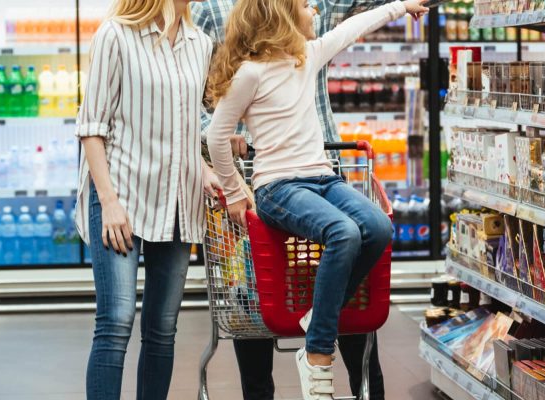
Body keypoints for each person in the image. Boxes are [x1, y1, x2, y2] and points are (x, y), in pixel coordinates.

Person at [204, 1, 427, 399]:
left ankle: (318, 316)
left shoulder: (309, 56)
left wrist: (400, 6)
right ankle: (317, 352)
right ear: (283, 16)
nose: (316, 12)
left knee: (378, 226)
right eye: (306, 6)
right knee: (343, 232)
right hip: (278, 187)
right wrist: (237, 191)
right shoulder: (250, 74)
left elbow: (357, 24)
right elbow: (216, 136)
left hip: (322, 178)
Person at [73, 0, 220, 399]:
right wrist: (109, 203)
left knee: (161, 328)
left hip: (176, 201)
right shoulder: (116, 35)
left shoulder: (200, 44)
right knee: (116, 320)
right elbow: (91, 127)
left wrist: (207, 173)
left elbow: (187, 130)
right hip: (120, 195)